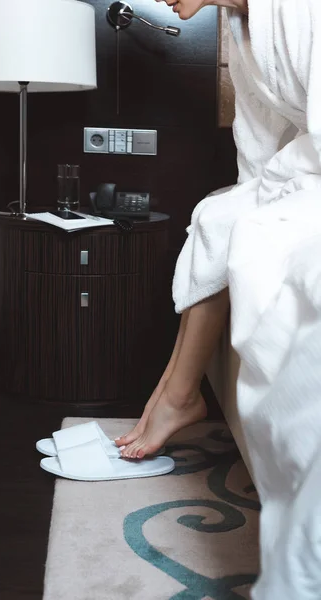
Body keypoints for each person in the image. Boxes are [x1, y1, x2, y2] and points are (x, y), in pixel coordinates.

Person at [115, 0, 321, 460]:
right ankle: (173, 393)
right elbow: (260, 136)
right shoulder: (242, 23)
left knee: (246, 226)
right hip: (303, 164)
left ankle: (175, 398)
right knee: (220, 216)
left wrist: (278, 183)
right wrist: (255, 193)